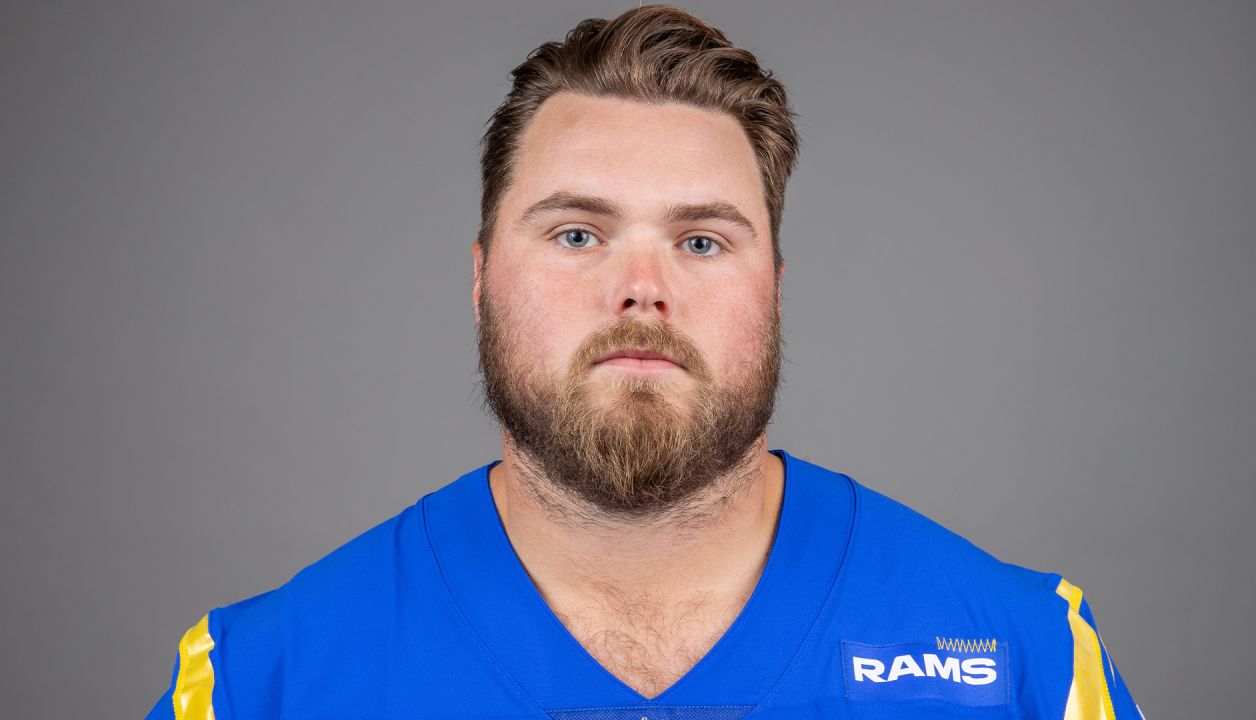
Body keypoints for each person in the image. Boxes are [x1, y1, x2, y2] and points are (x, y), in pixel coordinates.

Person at [147, 5, 1143, 718]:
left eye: (701, 240)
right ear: (482, 277)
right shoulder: (260, 684)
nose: (640, 289)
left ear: (777, 288)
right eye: (577, 234)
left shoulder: (1026, 665)